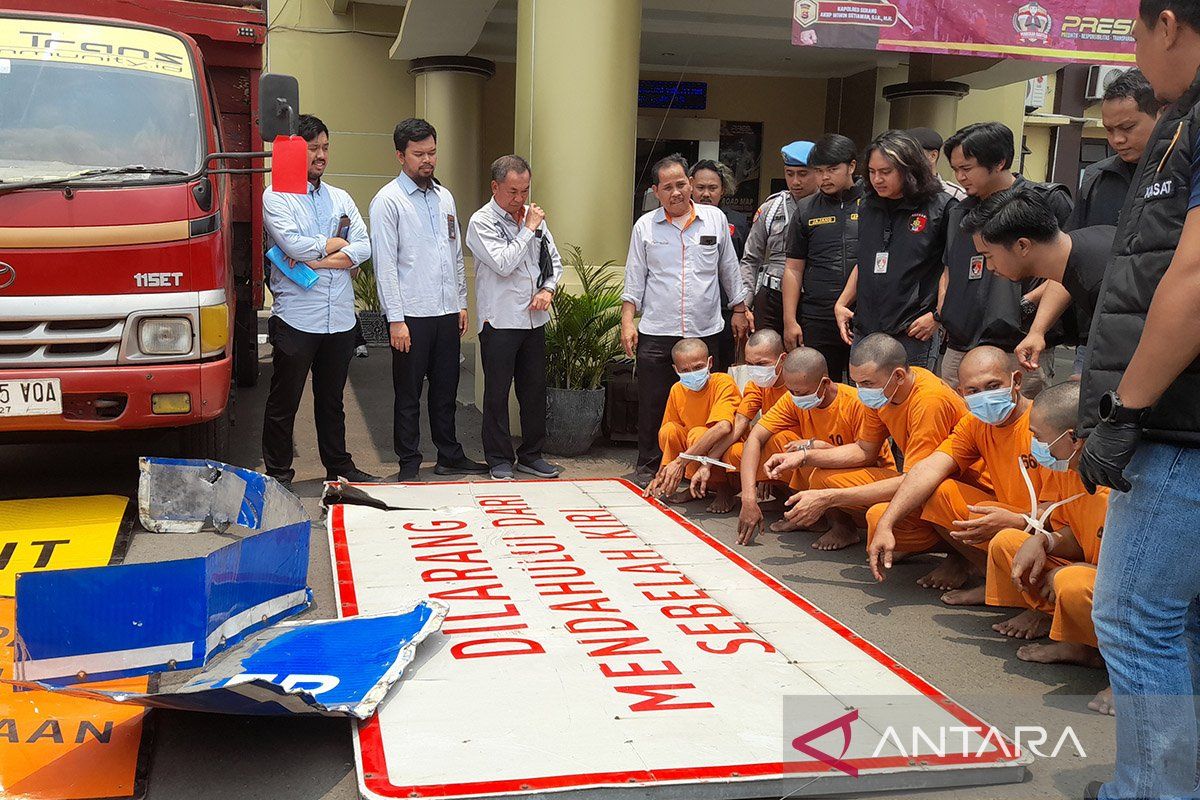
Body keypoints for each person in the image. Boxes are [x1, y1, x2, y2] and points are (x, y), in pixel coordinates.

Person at [1076, 3, 1200, 796]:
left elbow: (1192, 281)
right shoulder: (1181, 124)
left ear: (1166, 23)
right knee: (1175, 622)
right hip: (1174, 417)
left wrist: (1127, 411)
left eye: (1130, 37)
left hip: (1177, 428)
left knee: (1133, 618)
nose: (1133, 54)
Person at [759, 333, 969, 571]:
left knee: (882, 515)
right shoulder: (881, 395)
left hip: (952, 487)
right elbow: (864, 450)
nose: (861, 391)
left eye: (867, 384)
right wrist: (804, 456)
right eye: (857, 383)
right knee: (821, 477)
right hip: (922, 481)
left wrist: (828, 498)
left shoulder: (929, 401)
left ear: (898, 375)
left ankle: (962, 558)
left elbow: (920, 480)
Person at [868, 346, 1057, 603]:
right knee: (932, 493)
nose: (985, 397)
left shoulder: (1045, 426)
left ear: (1017, 381)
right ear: (962, 393)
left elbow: (1070, 510)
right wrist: (886, 524)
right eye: (974, 391)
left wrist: (1020, 519)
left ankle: (1031, 604)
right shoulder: (975, 424)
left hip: (1049, 528)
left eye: (993, 386)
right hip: (1004, 515)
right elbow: (929, 468)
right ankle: (992, 578)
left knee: (1014, 541)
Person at [260, 114, 380, 487]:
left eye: (326, 147)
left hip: (340, 319)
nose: (321, 155)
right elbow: (293, 244)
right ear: (295, 152)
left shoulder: (339, 197)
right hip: (297, 317)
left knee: (333, 401)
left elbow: (364, 245)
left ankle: (339, 466)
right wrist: (336, 250)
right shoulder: (275, 196)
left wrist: (320, 256)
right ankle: (279, 471)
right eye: (314, 148)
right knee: (285, 401)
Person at [982, 381, 1112, 714]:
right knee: (1011, 542)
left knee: (1070, 582)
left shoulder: (1117, 486)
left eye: (1039, 437)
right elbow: (1074, 530)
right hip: (1090, 574)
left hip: (1120, 588)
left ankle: (1123, 675)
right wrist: (1044, 539)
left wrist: (1072, 570)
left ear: (1072, 437)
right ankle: (1079, 642)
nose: (1034, 445)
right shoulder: (1066, 467)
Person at [370, 118, 487, 480]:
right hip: (411, 316)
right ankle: (408, 461)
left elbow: (452, 254)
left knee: (445, 389)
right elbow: (385, 265)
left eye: (432, 152)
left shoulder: (445, 197)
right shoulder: (387, 202)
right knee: (408, 394)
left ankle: (449, 454)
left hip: (445, 311)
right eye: (419, 154)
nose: (427, 160)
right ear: (400, 156)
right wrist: (396, 319)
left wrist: (461, 302)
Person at [622, 153, 751, 480]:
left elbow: (729, 269)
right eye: (668, 187)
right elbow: (635, 277)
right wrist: (627, 320)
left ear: (690, 184)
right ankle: (650, 467)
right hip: (658, 330)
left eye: (681, 184)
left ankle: (703, 470)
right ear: (656, 191)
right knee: (654, 402)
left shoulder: (715, 219)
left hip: (704, 330)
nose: (676, 192)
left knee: (706, 405)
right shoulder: (645, 227)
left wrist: (739, 308)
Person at [938, 122, 1073, 396]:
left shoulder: (1044, 201)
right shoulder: (959, 211)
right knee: (956, 424)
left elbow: (1069, 267)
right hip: (960, 344)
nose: (960, 177)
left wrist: (1029, 311)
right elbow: (950, 268)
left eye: (967, 168)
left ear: (999, 162)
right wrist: (944, 311)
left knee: (1018, 425)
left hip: (1018, 344)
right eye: (955, 170)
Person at [465, 155, 564, 481]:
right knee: (496, 393)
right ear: (495, 187)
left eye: (524, 190)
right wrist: (528, 229)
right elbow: (504, 263)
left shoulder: (534, 219)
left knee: (534, 391)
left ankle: (531, 454)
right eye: (512, 192)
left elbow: (554, 262)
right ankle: (498, 459)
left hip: (535, 321)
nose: (520, 199)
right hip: (501, 320)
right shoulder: (481, 222)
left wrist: (547, 289)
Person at [739, 347, 895, 549]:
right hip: (827, 471)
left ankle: (843, 526)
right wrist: (748, 499)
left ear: (824, 383)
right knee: (781, 441)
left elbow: (867, 456)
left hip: (869, 477)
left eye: (801, 392)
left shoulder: (856, 403)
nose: (795, 397)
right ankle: (810, 516)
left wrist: (812, 452)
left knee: (818, 470)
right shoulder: (792, 399)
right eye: (791, 391)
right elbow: (755, 437)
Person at [962, 187, 1115, 376]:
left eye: (989, 255)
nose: (989, 267)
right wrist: (1037, 332)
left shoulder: (1102, 284)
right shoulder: (1080, 244)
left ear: (1022, 245)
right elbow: (1061, 280)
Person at [834, 131, 954, 368]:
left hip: (912, 332)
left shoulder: (942, 208)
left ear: (909, 169)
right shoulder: (868, 204)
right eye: (872, 172)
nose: (877, 179)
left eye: (885, 172)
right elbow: (865, 260)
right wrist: (841, 303)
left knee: (909, 403)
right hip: (865, 329)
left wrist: (938, 317)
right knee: (867, 402)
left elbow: (952, 270)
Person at [783, 133, 861, 381]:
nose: (824, 177)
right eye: (818, 170)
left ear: (851, 166)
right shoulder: (806, 209)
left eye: (832, 169)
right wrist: (789, 320)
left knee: (869, 392)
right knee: (820, 388)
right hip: (818, 316)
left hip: (865, 314)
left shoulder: (872, 203)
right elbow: (794, 268)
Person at [694, 329, 792, 514]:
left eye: (762, 364)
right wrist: (707, 462)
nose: (755, 370)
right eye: (750, 364)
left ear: (783, 359)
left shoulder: (798, 384)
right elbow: (739, 423)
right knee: (733, 451)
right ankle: (782, 498)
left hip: (794, 447)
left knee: (782, 440)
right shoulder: (756, 385)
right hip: (768, 444)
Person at [643, 338, 741, 503]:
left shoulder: (723, 382)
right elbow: (669, 436)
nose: (692, 374)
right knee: (669, 430)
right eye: (685, 370)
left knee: (698, 433)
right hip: (692, 452)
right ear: (676, 370)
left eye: (698, 368)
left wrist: (680, 462)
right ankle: (691, 486)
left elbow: (723, 427)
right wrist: (663, 474)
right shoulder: (677, 389)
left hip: (724, 450)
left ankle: (722, 487)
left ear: (710, 362)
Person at [1066, 68, 1162, 231]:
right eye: (1109, 130)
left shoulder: (1182, 171)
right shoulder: (1095, 178)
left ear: (1160, 116)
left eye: (1127, 127)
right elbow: (1077, 243)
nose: (1117, 139)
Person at [741, 140, 817, 336]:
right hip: (772, 295)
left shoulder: (827, 208)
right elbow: (750, 258)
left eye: (803, 174)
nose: (795, 182)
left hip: (811, 297)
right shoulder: (772, 208)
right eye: (789, 174)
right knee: (765, 354)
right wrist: (745, 303)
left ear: (817, 172)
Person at [690, 159, 749, 371]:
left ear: (723, 190)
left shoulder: (738, 222)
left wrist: (742, 308)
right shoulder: (677, 222)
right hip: (691, 311)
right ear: (690, 186)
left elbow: (745, 265)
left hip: (726, 310)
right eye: (700, 188)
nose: (706, 194)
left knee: (721, 370)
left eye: (712, 188)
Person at [907, 126, 967, 200]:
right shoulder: (897, 191)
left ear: (933, 156)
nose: (907, 159)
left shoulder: (955, 195)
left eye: (913, 153)